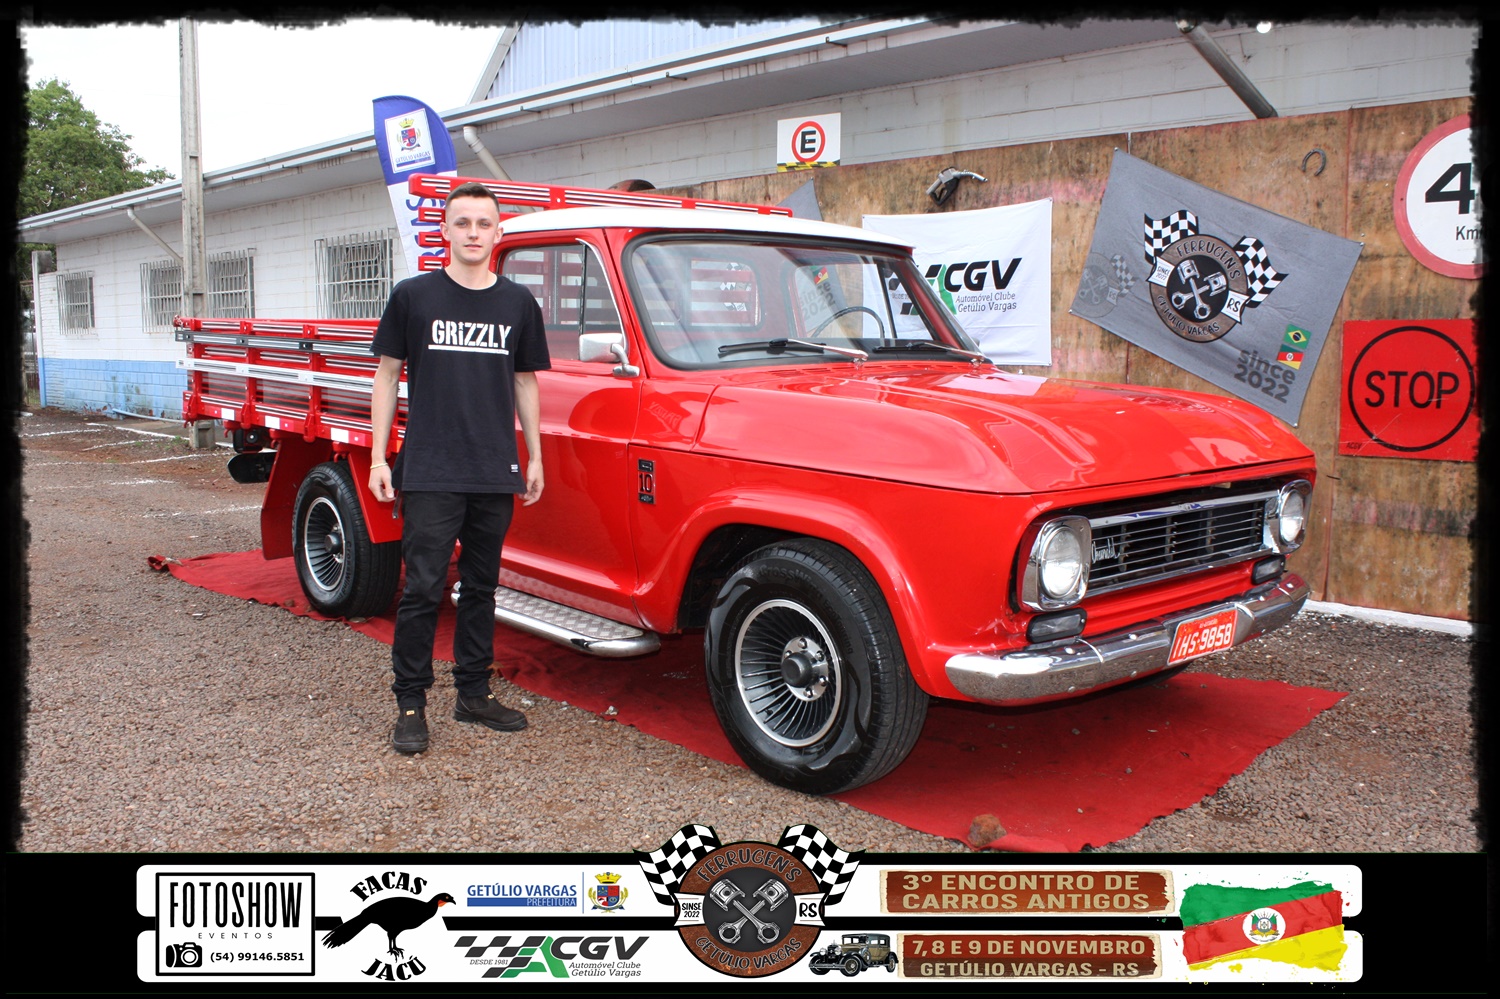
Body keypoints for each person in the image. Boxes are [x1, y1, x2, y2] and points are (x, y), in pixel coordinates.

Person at [367, 181, 550, 754]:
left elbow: (525, 381)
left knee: (481, 588)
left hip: (493, 469)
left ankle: (473, 693)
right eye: (463, 222)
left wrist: (535, 455)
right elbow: (386, 376)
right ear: (444, 230)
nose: (473, 233)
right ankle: (410, 703)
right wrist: (378, 457)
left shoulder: (517, 303)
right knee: (423, 589)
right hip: (430, 468)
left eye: (483, 223)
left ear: (498, 232)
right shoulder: (414, 296)